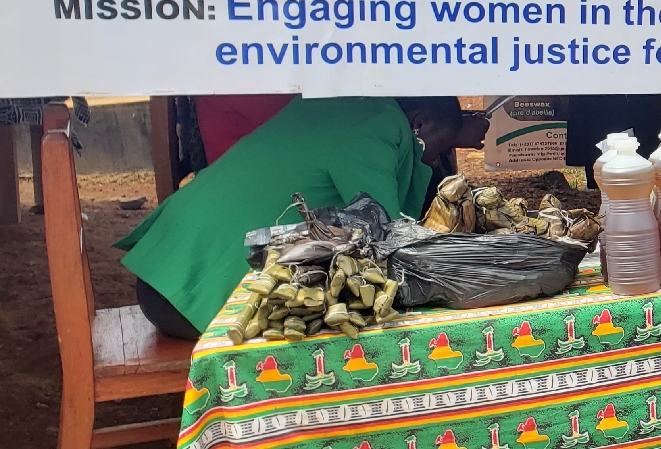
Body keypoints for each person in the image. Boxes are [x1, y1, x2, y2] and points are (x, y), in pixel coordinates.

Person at [117, 96, 485, 341]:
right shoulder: (376, 128)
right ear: (419, 122)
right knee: (352, 316)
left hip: (164, 271)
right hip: (193, 297)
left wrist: (451, 132)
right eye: (440, 146)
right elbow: (388, 236)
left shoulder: (345, 102)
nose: (433, 158)